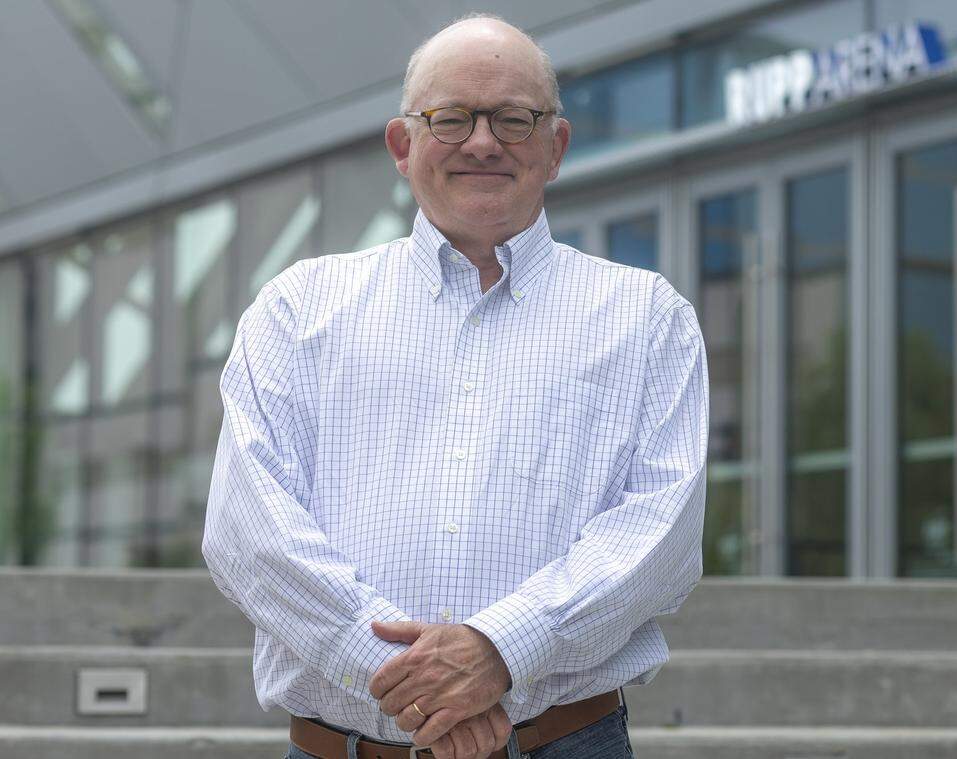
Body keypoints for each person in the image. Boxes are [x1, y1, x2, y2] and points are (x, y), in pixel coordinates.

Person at [202, 12, 708, 759]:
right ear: (402, 146)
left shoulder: (648, 319)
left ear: (555, 146)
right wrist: (415, 677)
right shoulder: (297, 308)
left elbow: (660, 536)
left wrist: (500, 650)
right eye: (451, 118)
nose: (482, 141)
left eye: (513, 118)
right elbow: (249, 531)